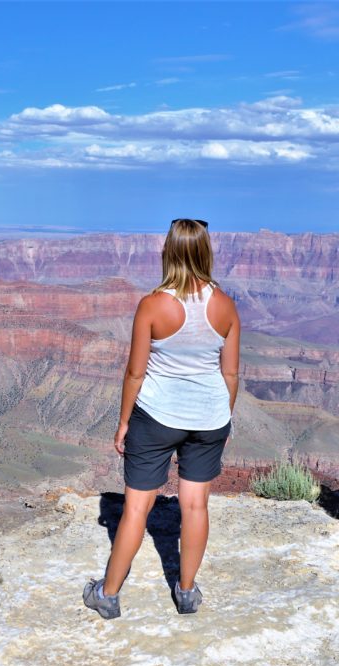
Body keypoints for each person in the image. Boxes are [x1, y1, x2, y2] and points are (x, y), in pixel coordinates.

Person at [83, 218, 240, 619]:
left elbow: (135, 372)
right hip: (208, 417)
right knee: (195, 507)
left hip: (155, 417)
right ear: (206, 252)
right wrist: (222, 415)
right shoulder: (225, 305)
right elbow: (231, 373)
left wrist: (123, 423)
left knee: (137, 508)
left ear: (168, 252)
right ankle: (186, 593)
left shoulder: (153, 305)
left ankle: (109, 594)